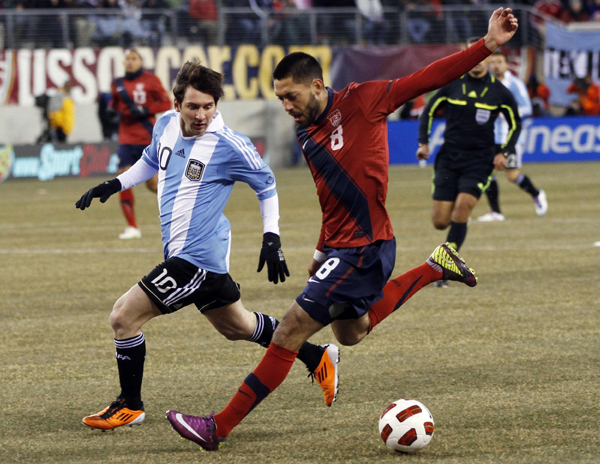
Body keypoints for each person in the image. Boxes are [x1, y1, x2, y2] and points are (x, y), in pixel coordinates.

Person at [165, 7, 518, 451]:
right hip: (344, 247)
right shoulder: (305, 133)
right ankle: (433, 267)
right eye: (280, 100)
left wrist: (486, 45)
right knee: (351, 332)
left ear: (317, 85)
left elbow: (427, 77)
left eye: (291, 96)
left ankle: (218, 426)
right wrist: (320, 250)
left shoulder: (365, 99)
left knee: (289, 330)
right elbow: (331, 196)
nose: (287, 107)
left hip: (366, 247)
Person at [75, 61, 339, 430]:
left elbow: (266, 185)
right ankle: (316, 356)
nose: (201, 115)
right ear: (177, 103)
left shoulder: (228, 144)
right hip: (196, 259)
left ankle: (129, 405)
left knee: (123, 317)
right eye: (193, 106)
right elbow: (151, 159)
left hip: (195, 259)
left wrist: (271, 235)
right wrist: (114, 185)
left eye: (209, 106)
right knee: (237, 327)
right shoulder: (165, 124)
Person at [416, 37, 521, 281]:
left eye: (483, 55)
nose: (478, 60)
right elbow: (428, 112)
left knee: (462, 208)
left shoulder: (500, 92)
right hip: (449, 159)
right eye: (473, 54)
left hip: (480, 160)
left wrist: (503, 152)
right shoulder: (452, 85)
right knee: (440, 222)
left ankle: (444, 265)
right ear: (466, 56)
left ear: (488, 58)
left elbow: (515, 125)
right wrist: (423, 142)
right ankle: (454, 228)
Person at [477, 52, 547, 222]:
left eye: (499, 62)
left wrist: (506, 113)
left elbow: (527, 109)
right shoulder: (485, 83)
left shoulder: (515, 85)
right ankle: (496, 212)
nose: (495, 65)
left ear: (507, 65)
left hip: (510, 136)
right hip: (490, 136)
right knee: (486, 173)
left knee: (512, 175)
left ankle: (537, 194)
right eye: (492, 62)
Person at [109, 49, 171, 240]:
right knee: (123, 179)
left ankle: (179, 213)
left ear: (141, 62)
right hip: (126, 139)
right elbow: (115, 106)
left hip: (148, 137)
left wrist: (146, 110)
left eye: (134, 59)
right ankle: (132, 227)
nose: (130, 62)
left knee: (153, 184)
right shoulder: (117, 84)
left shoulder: (151, 80)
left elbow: (166, 103)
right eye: (127, 59)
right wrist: (110, 112)